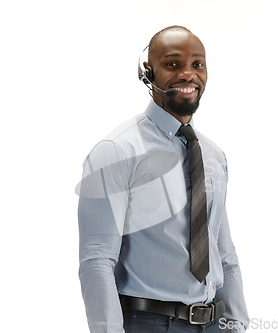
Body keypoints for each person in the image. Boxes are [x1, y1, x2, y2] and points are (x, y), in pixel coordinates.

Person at [78, 25, 249, 333]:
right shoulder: (116, 152)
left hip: (214, 324)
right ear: (148, 72)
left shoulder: (213, 155)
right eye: (172, 64)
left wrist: (236, 324)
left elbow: (223, 252)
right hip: (150, 323)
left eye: (197, 64)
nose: (188, 74)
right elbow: (97, 260)